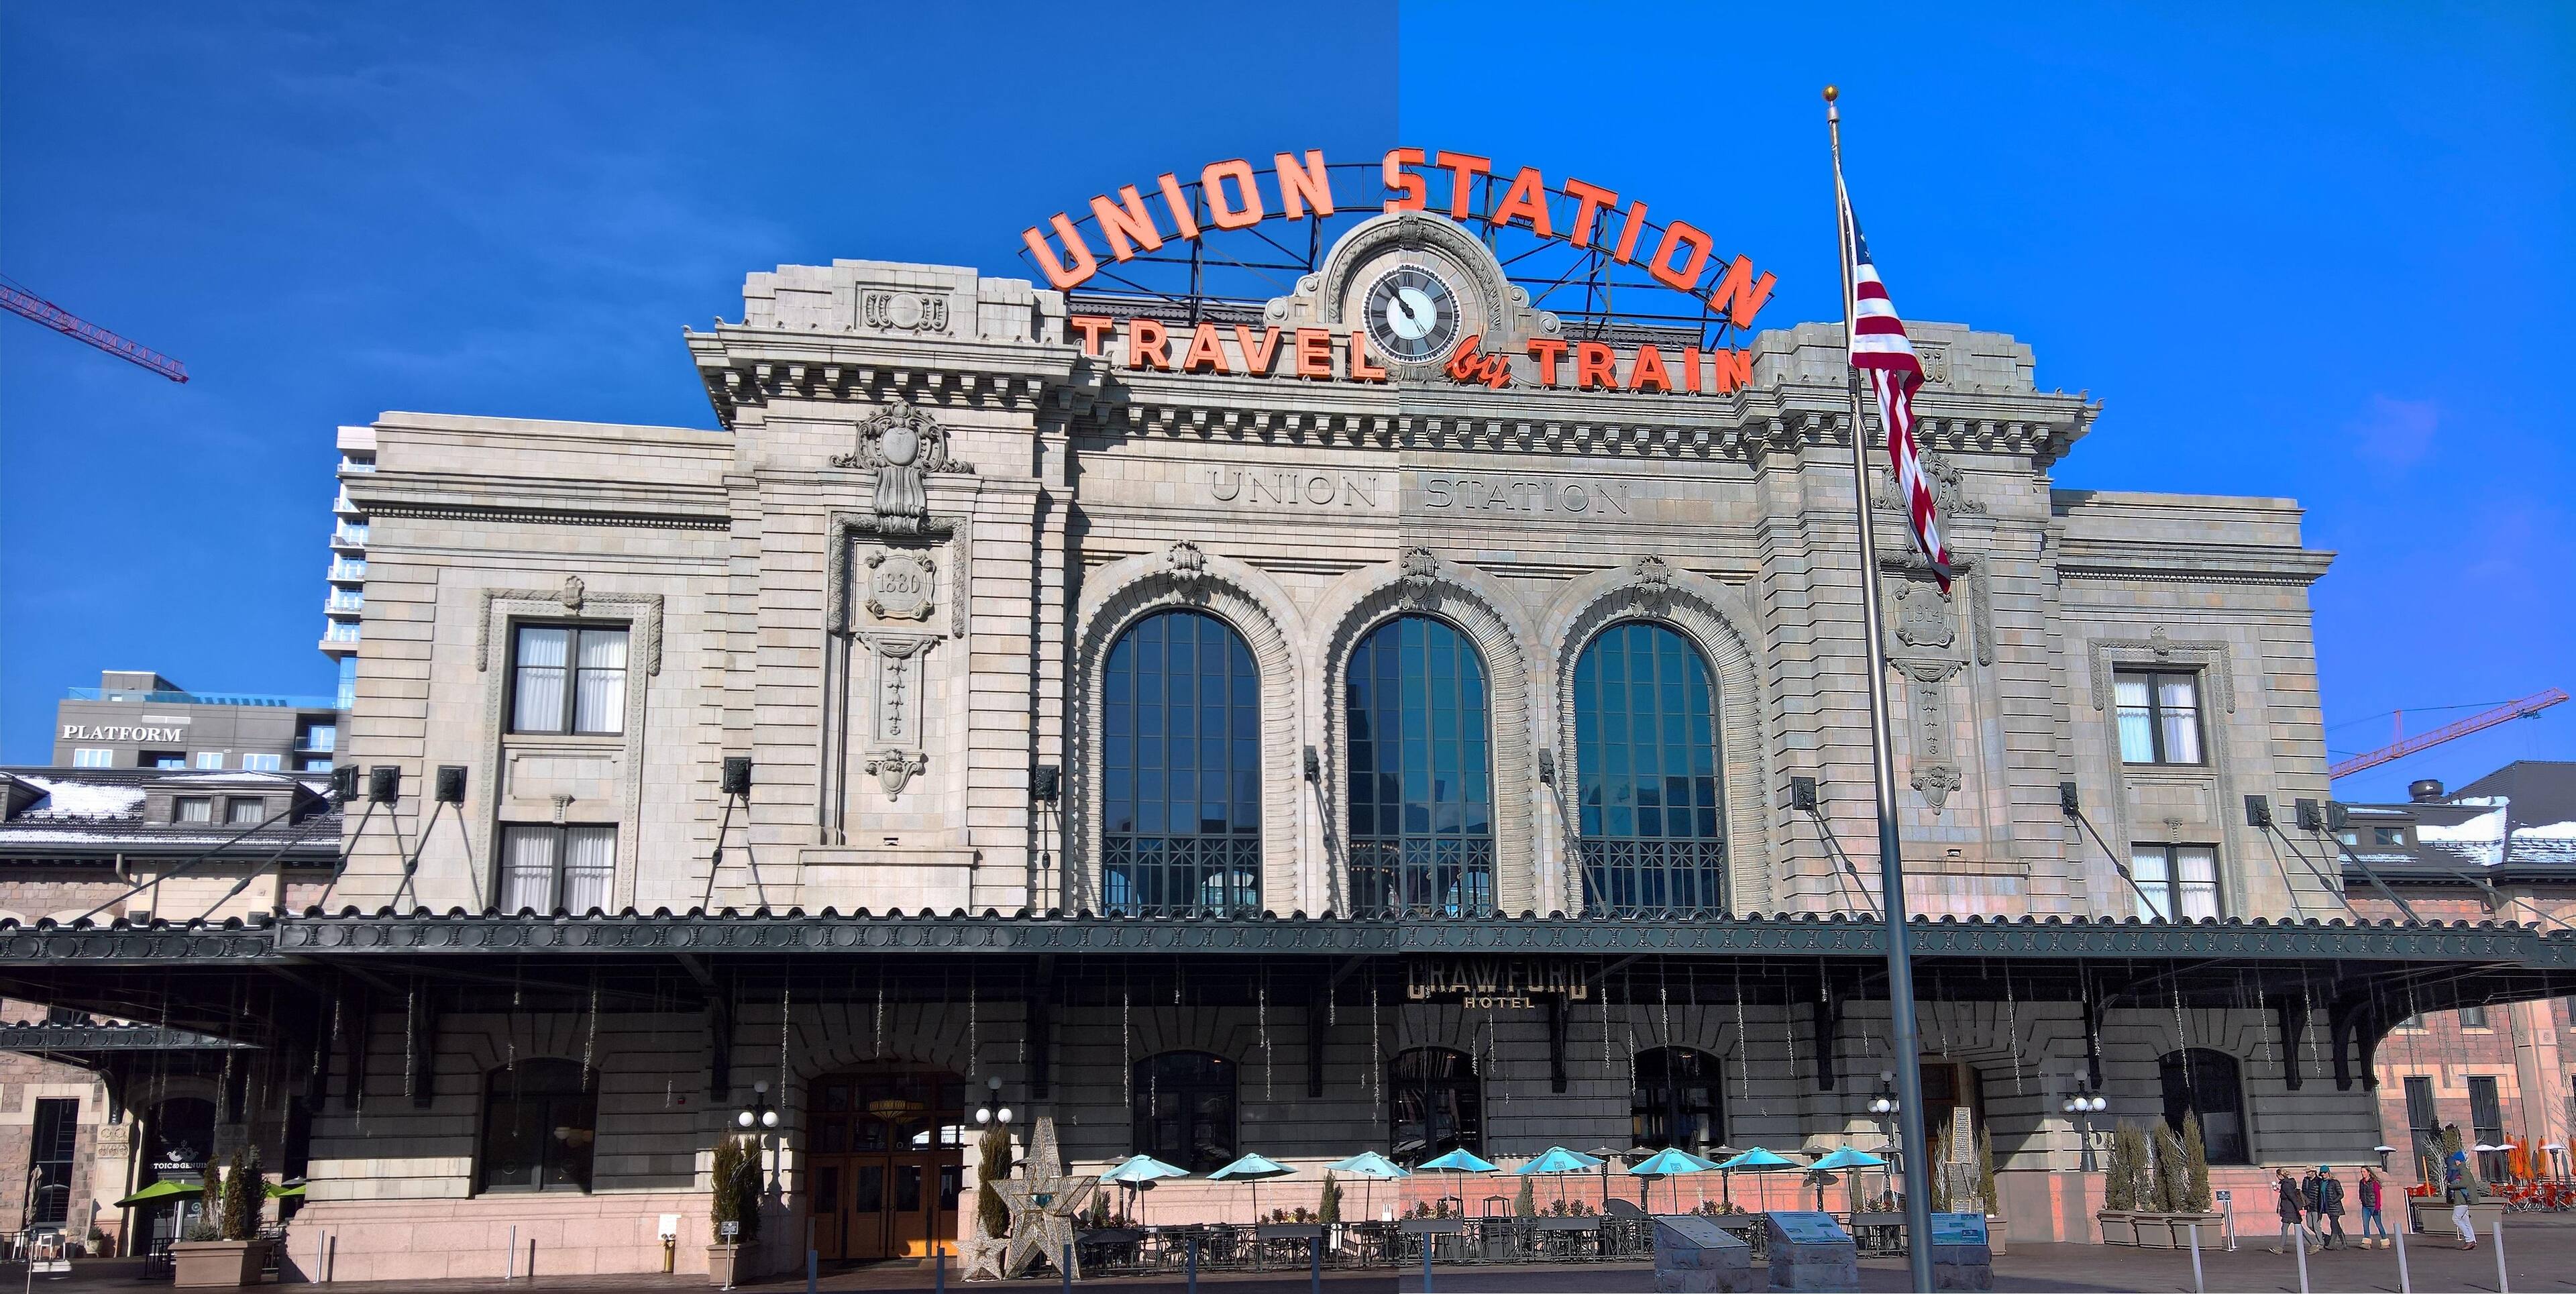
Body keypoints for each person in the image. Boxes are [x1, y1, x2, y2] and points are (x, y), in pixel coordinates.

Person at [2445, 1131, 2479, 1249]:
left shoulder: (2463, 1171)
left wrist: (2452, 1186)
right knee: (2466, 1220)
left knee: (2456, 1219)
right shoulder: (2464, 1170)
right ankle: (2473, 1239)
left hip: (2462, 1199)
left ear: (2459, 1161)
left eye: (2456, 1160)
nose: (2455, 1162)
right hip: (2464, 1199)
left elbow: (2464, 1183)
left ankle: (2469, 1240)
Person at [2273, 1168, 2312, 1254]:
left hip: (2289, 1210)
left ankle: (2280, 1248)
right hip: (2291, 1209)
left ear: (2280, 1175)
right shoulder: (2289, 1183)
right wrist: (2279, 1191)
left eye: (2277, 1176)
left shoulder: (2286, 1185)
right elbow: (2289, 1194)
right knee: (2299, 1228)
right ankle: (2313, 1244)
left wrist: (2299, 1209)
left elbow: (2292, 1197)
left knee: (2285, 1228)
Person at [2357, 1167, 2391, 1248]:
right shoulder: (2362, 1182)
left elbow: (2378, 1195)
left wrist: (2377, 1207)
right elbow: (2361, 1191)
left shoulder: (2374, 1183)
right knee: (2365, 1224)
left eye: (2364, 1172)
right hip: (2365, 1206)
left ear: (2369, 1172)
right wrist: (2361, 1199)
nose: (2363, 1173)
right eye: (2362, 1172)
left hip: (2373, 1206)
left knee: (2379, 1224)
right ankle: (2366, 1242)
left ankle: (2385, 1241)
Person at [2316, 1167, 2347, 1249]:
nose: (2323, 1174)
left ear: (2329, 1172)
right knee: (2336, 1225)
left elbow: (2341, 1194)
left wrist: (2333, 1201)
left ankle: (2331, 1244)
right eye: (2322, 1173)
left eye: (2325, 1172)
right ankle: (2344, 1243)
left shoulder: (2334, 1182)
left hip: (2335, 1207)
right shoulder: (2322, 1183)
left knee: (2333, 1225)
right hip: (2327, 1207)